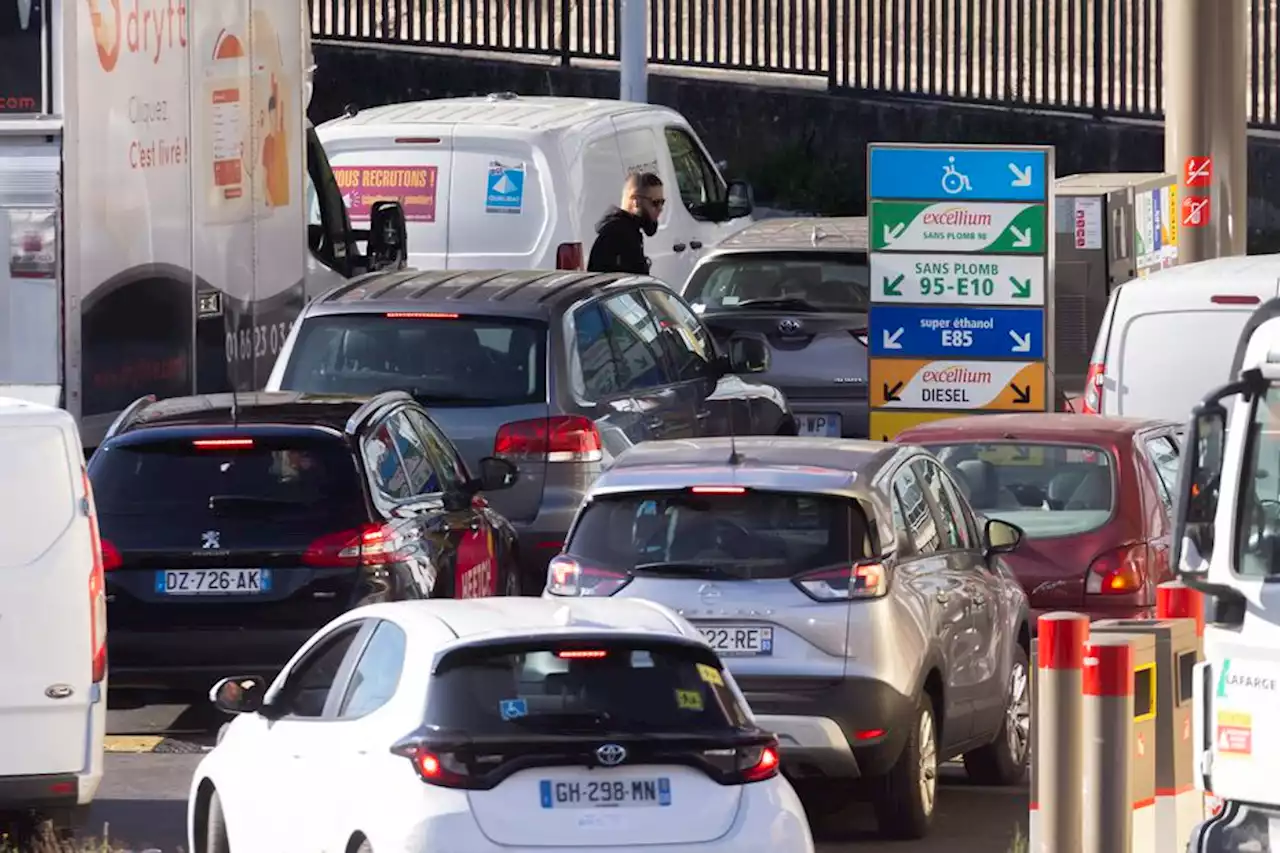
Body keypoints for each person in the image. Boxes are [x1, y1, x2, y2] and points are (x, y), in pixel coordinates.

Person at [587, 172, 665, 274]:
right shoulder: (619, 235)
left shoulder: (630, 230)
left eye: (662, 202)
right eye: (655, 203)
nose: (660, 208)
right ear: (635, 201)